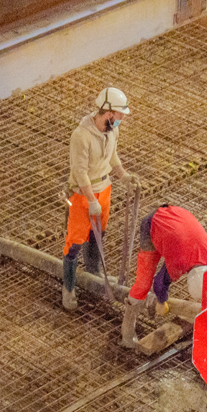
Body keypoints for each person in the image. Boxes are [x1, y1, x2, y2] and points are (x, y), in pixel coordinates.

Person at [63, 87, 132, 310]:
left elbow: (112, 155)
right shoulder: (81, 136)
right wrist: (91, 200)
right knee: (74, 241)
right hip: (82, 194)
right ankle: (69, 288)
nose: (122, 118)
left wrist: (123, 175)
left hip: (105, 189)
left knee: (98, 233)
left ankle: (93, 272)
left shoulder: (111, 131)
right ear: (109, 113)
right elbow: (80, 172)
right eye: (120, 114)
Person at [127, 204, 207, 316]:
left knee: (172, 250)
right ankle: (131, 306)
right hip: (153, 223)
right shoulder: (179, 263)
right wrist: (161, 302)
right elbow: (159, 283)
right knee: (144, 282)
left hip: (177, 214)